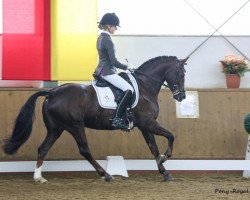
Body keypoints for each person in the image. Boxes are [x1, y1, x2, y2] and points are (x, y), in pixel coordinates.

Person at [94, 13, 134, 129]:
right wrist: (127, 67)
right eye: (115, 26)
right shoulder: (107, 40)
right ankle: (117, 118)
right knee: (129, 89)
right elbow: (114, 62)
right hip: (107, 72)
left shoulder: (100, 38)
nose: (116, 29)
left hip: (101, 70)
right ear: (108, 26)